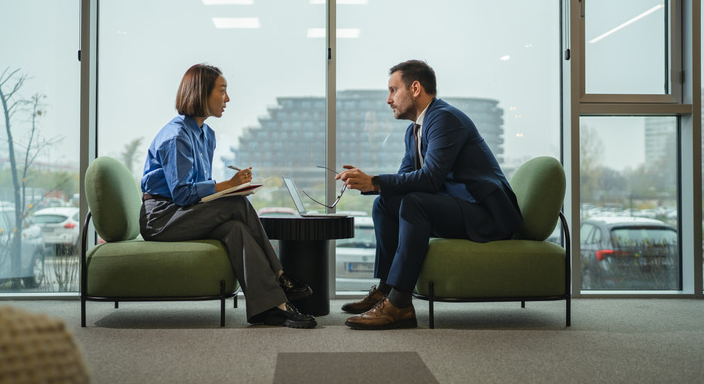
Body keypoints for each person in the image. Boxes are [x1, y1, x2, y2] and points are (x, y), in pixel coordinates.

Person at [335, 60, 523, 330]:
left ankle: (400, 303)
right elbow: (402, 181)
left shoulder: (444, 118)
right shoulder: (414, 132)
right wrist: (372, 186)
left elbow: (431, 178)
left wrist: (375, 181)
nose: (388, 100)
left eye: (392, 90)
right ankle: (387, 290)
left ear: (415, 88)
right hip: (457, 207)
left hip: (486, 213)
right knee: (384, 203)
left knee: (413, 202)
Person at [139, 63, 316, 329]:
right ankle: (280, 276)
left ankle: (271, 308)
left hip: (184, 213)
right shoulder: (176, 136)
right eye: (222, 91)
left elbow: (198, 192)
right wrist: (227, 187)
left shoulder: (206, 135)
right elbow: (183, 194)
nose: (227, 98)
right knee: (236, 202)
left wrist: (231, 186)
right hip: (162, 218)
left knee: (236, 229)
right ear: (201, 93)